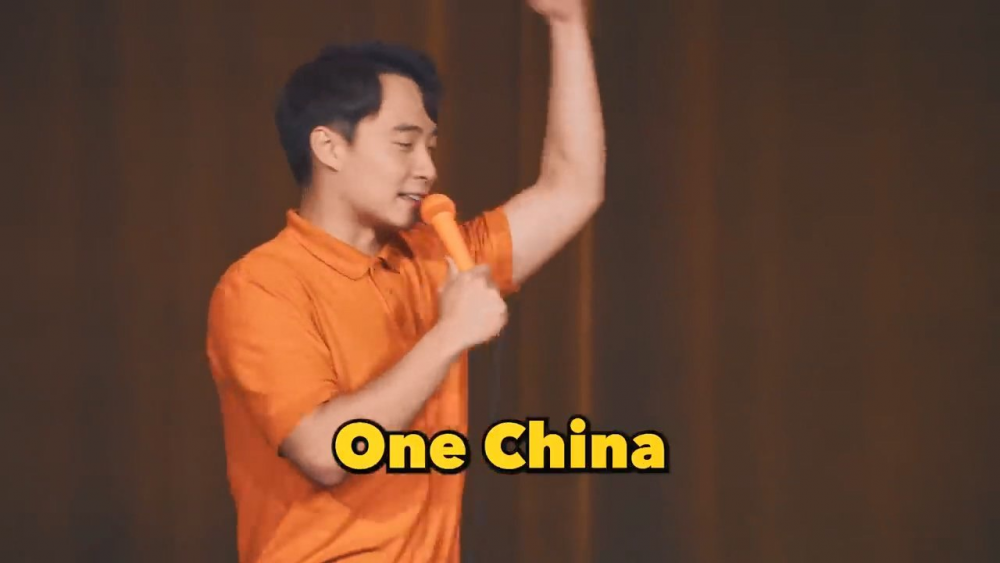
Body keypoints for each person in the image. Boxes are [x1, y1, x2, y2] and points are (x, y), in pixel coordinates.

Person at [205, 0, 604, 560]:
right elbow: (326, 451)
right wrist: (448, 335)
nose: (427, 168)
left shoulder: (436, 256)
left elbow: (572, 188)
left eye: (430, 146)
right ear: (329, 147)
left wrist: (567, 25)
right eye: (403, 143)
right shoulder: (260, 286)